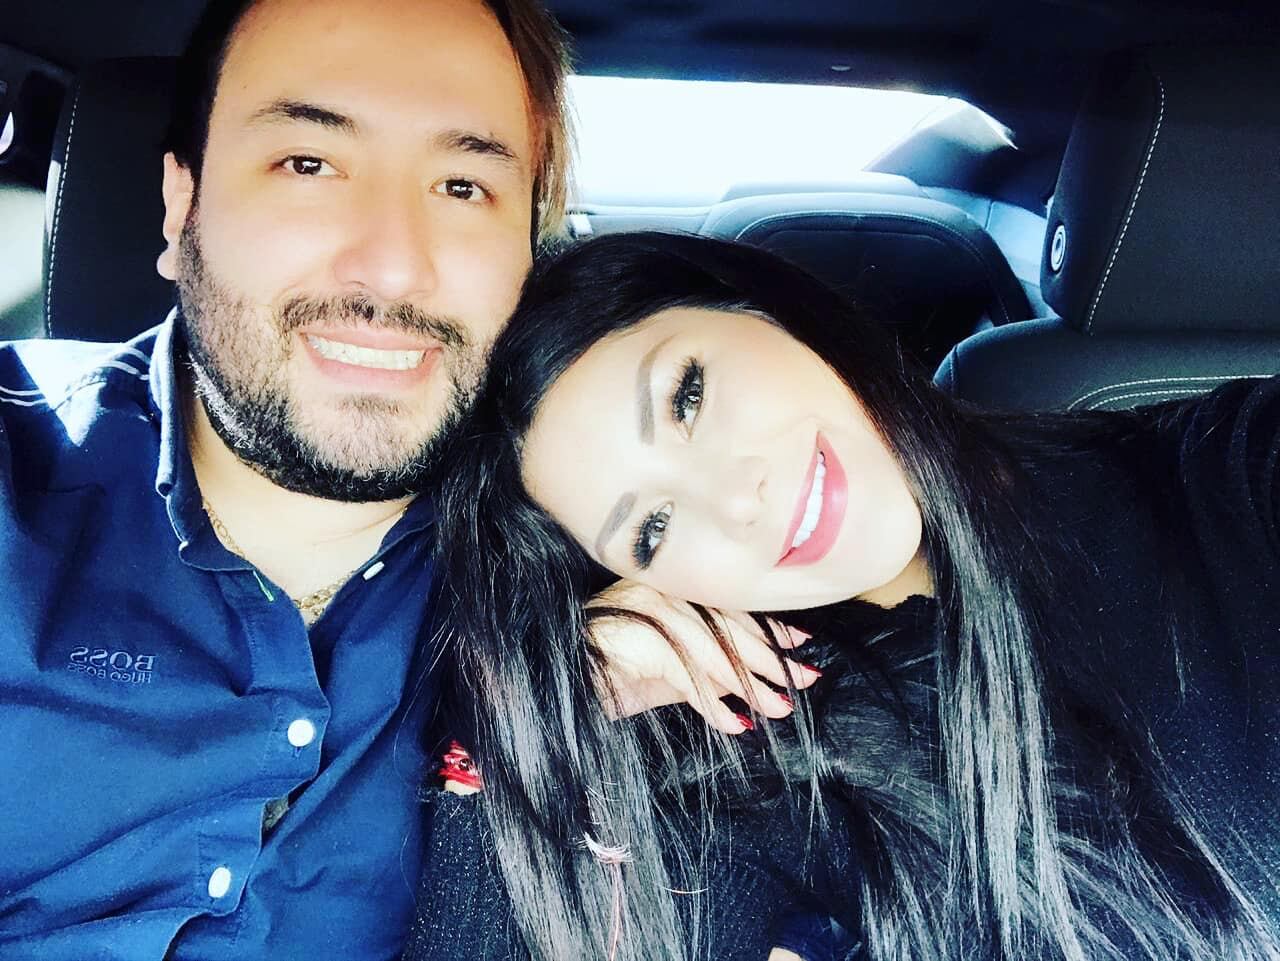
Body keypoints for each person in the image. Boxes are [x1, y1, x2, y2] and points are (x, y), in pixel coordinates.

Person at [3, 2, 804, 957]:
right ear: (184, 206)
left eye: (463, 186)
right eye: (308, 164)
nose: (390, 268)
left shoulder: (621, 547)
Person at [408, 231, 1280, 961]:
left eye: (689, 396)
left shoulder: (1222, 474)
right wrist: (543, 714)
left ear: (768, 312)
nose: (735, 500)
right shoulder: (757, 762)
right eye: (652, 529)